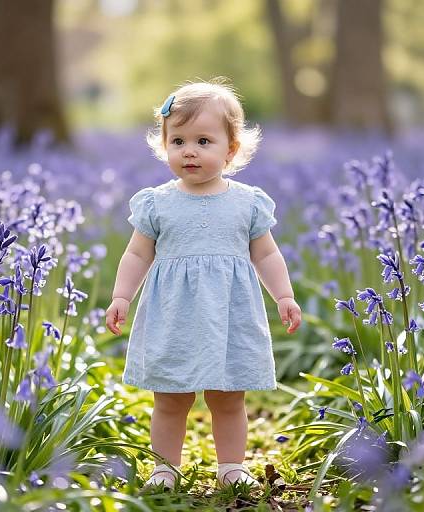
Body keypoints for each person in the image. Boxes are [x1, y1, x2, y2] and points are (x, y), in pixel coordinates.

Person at [105, 79, 302, 492]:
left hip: (229, 314)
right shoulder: (156, 202)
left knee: (228, 396)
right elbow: (138, 254)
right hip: (173, 313)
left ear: (231, 150)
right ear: (164, 146)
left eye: (203, 140)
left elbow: (265, 254)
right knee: (170, 398)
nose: (188, 150)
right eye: (177, 140)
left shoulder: (247, 202)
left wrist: (283, 295)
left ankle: (231, 466)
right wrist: (122, 295)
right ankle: (165, 469)